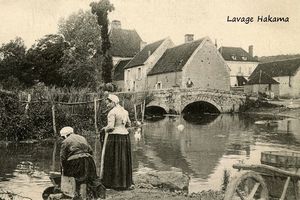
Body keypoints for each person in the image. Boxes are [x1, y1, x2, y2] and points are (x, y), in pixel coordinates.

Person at [101, 94, 133, 190]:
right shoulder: (125, 111)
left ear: (113, 102)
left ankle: (113, 183)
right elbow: (129, 123)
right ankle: (124, 182)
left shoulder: (112, 112)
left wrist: (104, 129)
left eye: (108, 104)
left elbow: (110, 127)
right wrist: (122, 127)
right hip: (125, 136)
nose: (107, 106)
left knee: (113, 158)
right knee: (123, 158)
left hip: (115, 137)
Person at [60, 126, 100, 198]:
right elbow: (90, 151)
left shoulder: (65, 141)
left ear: (65, 135)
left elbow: (63, 158)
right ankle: (97, 196)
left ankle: (76, 194)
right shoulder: (82, 138)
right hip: (89, 160)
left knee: (75, 177)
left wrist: (63, 170)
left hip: (76, 162)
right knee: (92, 178)